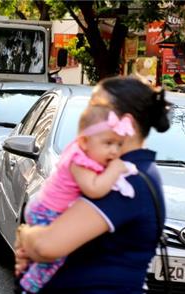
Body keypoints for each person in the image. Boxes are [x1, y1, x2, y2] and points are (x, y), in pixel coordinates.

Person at [14, 76, 171, 293]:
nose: (89, 112)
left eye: (96, 105)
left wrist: (25, 235)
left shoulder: (124, 180)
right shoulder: (117, 170)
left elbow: (46, 246)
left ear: (126, 122)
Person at [19, 105, 137, 293]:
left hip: (52, 209)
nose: (114, 151)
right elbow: (94, 190)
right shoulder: (79, 162)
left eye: (119, 145)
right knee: (54, 255)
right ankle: (30, 287)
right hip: (47, 211)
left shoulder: (90, 154)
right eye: (108, 143)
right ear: (84, 142)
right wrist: (115, 170)